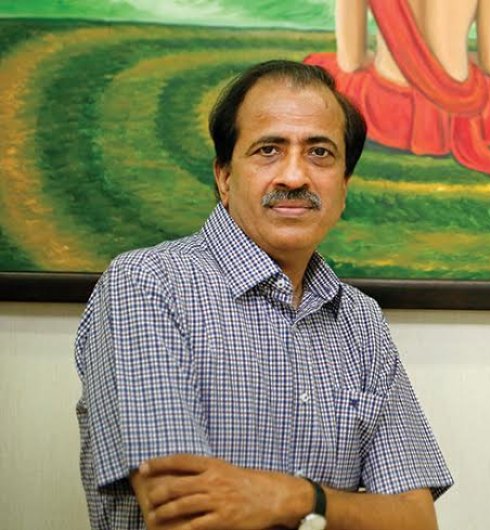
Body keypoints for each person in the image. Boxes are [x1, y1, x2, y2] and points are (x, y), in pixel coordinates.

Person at [75, 60, 453, 530]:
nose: (294, 177)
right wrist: (347, 511)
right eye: (268, 150)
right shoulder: (148, 284)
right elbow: (181, 509)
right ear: (224, 178)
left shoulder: (360, 321)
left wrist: (294, 498)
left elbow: (416, 519)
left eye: (320, 153)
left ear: (343, 187)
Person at [304, 0, 490, 181]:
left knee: (322, 65)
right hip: (458, 113)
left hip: (386, 114)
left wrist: (381, 58)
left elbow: (351, 62)